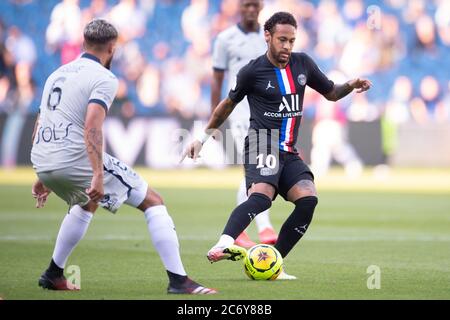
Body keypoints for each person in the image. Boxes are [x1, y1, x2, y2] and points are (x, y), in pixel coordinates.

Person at [30, 19, 216, 295]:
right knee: (153, 201)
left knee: (86, 203)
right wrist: (96, 174)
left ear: (83, 43)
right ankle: (179, 281)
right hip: (73, 158)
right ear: (112, 49)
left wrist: (43, 173)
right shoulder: (104, 78)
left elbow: (42, 120)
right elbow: (92, 125)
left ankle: (53, 274)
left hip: (43, 157)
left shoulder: (57, 74)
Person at [182, 12, 371, 278]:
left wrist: (350, 84)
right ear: (267, 36)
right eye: (282, 40)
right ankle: (225, 242)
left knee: (308, 200)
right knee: (261, 198)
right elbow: (227, 104)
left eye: (292, 41)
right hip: (262, 142)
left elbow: (330, 92)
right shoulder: (252, 71)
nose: (287, 46)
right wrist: (202, 138)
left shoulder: (303, 63)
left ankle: (272, 263)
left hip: (289, 150)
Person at [211, 0, 277, 248]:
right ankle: (263, 226)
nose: (251, 9)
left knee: (265, 166)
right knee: (255, 165)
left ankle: (246, 229)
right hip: (240, 112)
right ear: (239, 7)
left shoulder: (269, 37)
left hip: (268, 111)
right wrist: (213, 120)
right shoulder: (225, 39)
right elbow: (217, 80)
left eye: (255, 5)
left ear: (261, 7)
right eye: (246, 5)